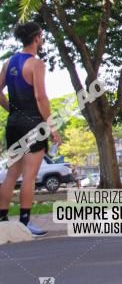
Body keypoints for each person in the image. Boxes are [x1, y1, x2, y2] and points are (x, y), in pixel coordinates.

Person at [0, 22, 61, 235]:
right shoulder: (36, 64)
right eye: (41, 36)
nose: (42, 40)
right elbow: (41, 97)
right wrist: (52, 127)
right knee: (29, 176)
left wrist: (11, 109)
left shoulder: (8, 63)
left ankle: (2, 219)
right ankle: (25, 223)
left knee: (11, 174)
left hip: (14, 123)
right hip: (34, 124)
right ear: (36, 38)